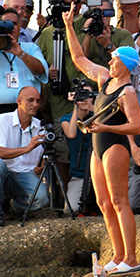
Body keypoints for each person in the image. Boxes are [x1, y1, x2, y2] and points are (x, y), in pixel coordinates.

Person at [62, 2, 140, 274]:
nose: (109, 60)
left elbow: (136, 127)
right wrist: (68, 26)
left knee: (120, 201)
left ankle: (131, 258)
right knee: (103, 203)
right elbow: (79, 60)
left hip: (114, 147)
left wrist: (107, 129)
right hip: (99, 146)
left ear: (125, 64)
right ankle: (118, 254)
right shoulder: (104, 79)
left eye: (114, 58)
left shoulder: (127, 92)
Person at [0, 8, 48, 173]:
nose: (10, 28)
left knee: (29, 156)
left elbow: (41, 71)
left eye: (14, 24)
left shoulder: (30, 47)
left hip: (27, 110)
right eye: (5, 24)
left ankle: (27, 192)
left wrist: (21, 54)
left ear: (20, 27)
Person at [0, 86, 49, 227]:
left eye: (38, 101)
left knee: (42, 199)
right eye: (30, 100)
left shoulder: (40, 126)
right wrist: (27, 149)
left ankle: (16, 207)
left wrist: (42, 164)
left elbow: (44, 155)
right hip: (2, 173)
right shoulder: (2, 120)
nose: (35, 104)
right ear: (18, 101)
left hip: (25, 174)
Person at [60, 82, 96, 213]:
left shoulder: (97, 115)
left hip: (98, 172)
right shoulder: (66, 119)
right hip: (79, 174)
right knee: (71, 209)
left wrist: (92, 108)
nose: (85, 99)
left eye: (88, 95)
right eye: (82, 96)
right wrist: (76, 107)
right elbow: (71, 133)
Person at [82, 0, 135, 69]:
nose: (102, 16)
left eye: (106, 12)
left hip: (114, 78)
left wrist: (108, 45)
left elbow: (129, 65)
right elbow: (79, 64)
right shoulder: (84, 34)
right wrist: (88, 34)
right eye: (97, 13)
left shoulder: (123, 35)